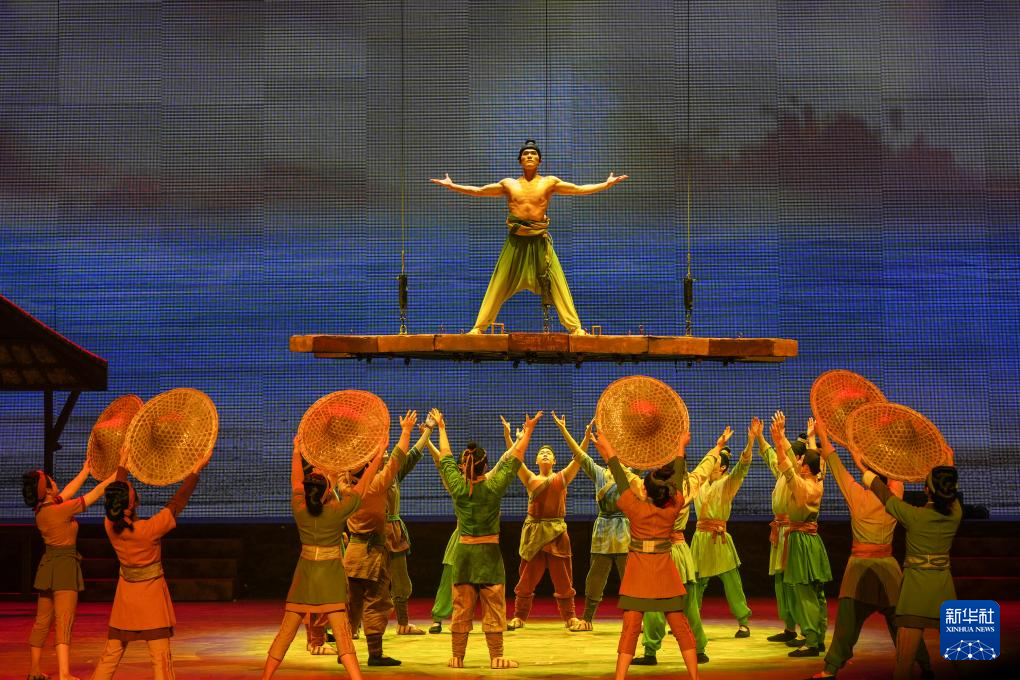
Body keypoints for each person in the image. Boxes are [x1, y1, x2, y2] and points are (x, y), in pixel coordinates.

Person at [430, 139, 628, 334]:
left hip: (539, 241)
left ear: (539, 160)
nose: (530, 156)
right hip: (515, 242)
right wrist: (453, 186)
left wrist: (606, 184)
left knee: (556, 281)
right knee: (498, 282)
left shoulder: (549, 182)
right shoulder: (509, 184)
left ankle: (575, 328)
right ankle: (478, 328)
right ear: (520, 160)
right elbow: (480, 191)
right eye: (526, 154)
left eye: (533, 154)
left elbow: (578, 189)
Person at [808, 418, 933, 679]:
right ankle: (925, 666)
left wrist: (823, 434)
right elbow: (894, 471)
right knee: (903, 623)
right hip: (888, 569)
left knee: (847, 623)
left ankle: (830, 669)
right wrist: (886, 445)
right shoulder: (894, 498)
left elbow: (834, 462)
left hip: (859, 570)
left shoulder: (857, 495)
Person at [261, 435, 385, 679]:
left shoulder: (299, 508)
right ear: (328, 491)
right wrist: (378, 455)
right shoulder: (337, 511)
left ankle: (265, 677)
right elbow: (362, 485)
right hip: (329, 579)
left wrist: (296, 451)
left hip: (304, 577)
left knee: (285, 633)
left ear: (307, 491)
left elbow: (296, 479)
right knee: (343, 637)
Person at [431, 407, 539, 669]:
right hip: (489, 556)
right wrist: (528, 432)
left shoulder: (458, 487)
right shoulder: (492, 488)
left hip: (464, 556)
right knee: (493, 604)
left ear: (464, 466)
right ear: (485, 466)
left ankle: (457, 656)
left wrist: (441, 427)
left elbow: (445, 457)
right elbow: (515, 459)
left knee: (461, 605)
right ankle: (496, 656)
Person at [91, 446, 211, 680]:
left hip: (125, 601)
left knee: (110, 656)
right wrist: (195, 470)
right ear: (132, 504)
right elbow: (177, 502)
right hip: (151, 602)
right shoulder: (149, 530)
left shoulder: (109, 525)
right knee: (161, 661)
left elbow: (117, 495)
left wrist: (123, 465)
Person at [590, 426, 700, 680]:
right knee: (680, 626)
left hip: (638, 575)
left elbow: (619, 477)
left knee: (630, 628)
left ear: (647, 492)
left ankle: (620, 678)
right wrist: (680, 447)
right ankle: (695, 677)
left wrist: (608, 450)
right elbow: (676, 478)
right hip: (665, 574)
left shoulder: (634, 507)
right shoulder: (673, 506)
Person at [341, 410, 434, 666]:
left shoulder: (346, 488)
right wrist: (405, 431)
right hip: (373, 552)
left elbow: (404, 457)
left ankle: (345, 651)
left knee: (351, 602)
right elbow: (398, 456)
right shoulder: (378, 484)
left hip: (353, 553)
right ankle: (375, 653)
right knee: (376, 601)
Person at [632, 429, 730, 666]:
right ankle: (698, 649)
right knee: (689, 605)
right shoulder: (689, 485)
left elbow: (627, 478)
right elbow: (705, 467)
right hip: (679, 551)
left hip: (661, 552)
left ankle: (650, 651)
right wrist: (718, 447)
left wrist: (612, 455)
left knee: (654, 605)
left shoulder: (653, 490)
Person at [864, 462, 960, 680]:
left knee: (904, 664)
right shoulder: (956, 514)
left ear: (927, 490)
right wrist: (948, 461)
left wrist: (864, 468)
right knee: (965, 657)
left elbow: (884, 494)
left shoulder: (914, 516)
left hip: (915, 594)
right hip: (944, 591)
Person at [24, 463, 115, 680]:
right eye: (51, 480)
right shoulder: (61, 510)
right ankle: (64, 674)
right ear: (47, 490)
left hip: (48, 567)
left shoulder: (42, 510)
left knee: (42, 621)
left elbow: (69, 491)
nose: (55, 481)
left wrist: (85, 470)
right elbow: (95, 494)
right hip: (64, 567)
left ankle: (34, 670)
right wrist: (118, 472)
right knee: (64, 621)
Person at [551, 412, 641, 631]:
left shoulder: (630, 474)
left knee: (630, 578)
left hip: (625, 529)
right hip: (603, 530)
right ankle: (587, 618)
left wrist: (639, 428)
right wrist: (563, 429)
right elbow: (579, 454)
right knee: (595, 578)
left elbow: (642, 454)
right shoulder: (599, 473)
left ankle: (636, 621)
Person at [425, 433, 513, 635]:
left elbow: (503, 462)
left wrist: (514, 440)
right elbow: (441, 462)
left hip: (486, 540)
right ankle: (438, 618)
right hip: (462, 537)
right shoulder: (457, 483)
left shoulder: (487, 481)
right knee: (450, 579)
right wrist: (428, 441)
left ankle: (497, 619)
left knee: (493, 584)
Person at [507, 421, 583, 630]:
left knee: (563, 579)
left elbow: (579, 458)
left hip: (557, 533)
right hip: (534, 534)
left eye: (549, 453)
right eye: (542, 453)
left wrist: (574, 433)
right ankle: (519, 616)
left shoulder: (562, 478)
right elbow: (515, 459)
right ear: (536, 460)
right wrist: (510, 438)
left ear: (555, 460)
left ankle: (570, 617)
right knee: (526, 578)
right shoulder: (531, 479)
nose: (546, 454)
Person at [769, 412, 832, 658]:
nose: (800, 462)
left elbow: (786, 466)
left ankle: (812, 640)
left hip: (799, 540)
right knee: (817, 591)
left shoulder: (801, 486)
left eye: (803, 461)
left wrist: (779, 440)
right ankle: (819, 636)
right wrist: (813, 438)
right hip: (814, 540)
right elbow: (819, 461)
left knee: (803, 591)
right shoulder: (819, 481)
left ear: (805, 466)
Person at [690, 418, 758, 639]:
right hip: (700, 538)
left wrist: (750, 442)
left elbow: (742, 468)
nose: (710, 463)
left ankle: (743, 621)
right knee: (696, 582)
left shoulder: (727, 483)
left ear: (722, 467)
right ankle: (691, 621)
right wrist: (717, 446)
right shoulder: (700, 483)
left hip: (718, 538)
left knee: (731, 580)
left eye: (715, 461)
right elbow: (700, 467)